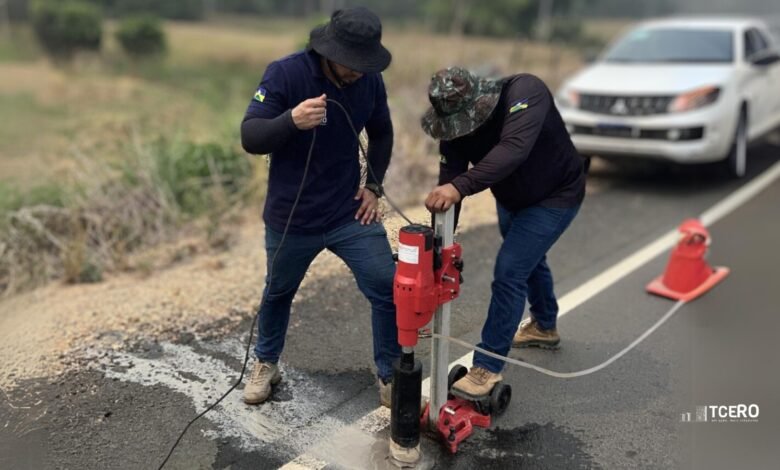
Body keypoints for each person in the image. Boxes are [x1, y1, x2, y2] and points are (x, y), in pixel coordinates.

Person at [240, 7, 400, 406]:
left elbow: (382, 134)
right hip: (291, 215)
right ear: (330, 52)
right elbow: (250, 136)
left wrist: (374, 188)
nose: (359, 73)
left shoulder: (370, 81)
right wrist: (291, 120)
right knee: (278, 291)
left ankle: (391, 372)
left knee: (387, 285)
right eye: (352, 65)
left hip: (348, 212)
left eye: (365, 64)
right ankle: (266, 363)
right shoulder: (286, 73)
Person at [421, 67, 585, 399]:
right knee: (528, 260)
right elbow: (450, 179)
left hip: (556, 195)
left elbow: (513, 149)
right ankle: (544, 325)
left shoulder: (526, 92)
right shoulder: (452, 123)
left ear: (480, 99)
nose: (462, 130)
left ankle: (487, 367)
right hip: (511, 199)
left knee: (510, 270)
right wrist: (439, 247)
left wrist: (460, 186)